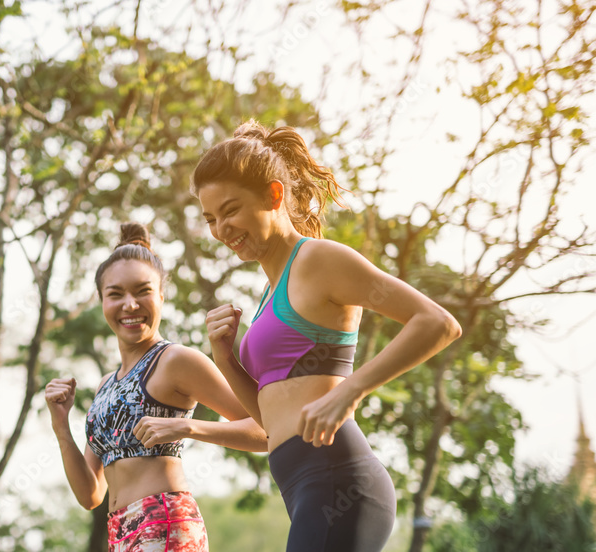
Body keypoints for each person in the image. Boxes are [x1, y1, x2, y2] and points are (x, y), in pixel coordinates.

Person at [193, 120, 463, 552]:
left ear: (274, 195)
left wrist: (350, 391)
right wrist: (226, 360)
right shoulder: (267, 293)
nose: (221, 229)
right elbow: (271, 423)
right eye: (210, 219)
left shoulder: (318, 261)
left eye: (230, 210)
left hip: (339, 479)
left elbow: (437, 322)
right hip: (303, 487)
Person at [45, 223, 268, 552]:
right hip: (118, 533)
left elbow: (268, 431)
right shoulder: (106, 385)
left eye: (143, 291)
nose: (130, 305)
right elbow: (90, 495)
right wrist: (61, 425)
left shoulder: (176, 360)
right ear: (101, 300)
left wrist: (187, 426)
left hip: (164, 522)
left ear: (161, 296)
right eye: (116, 294)